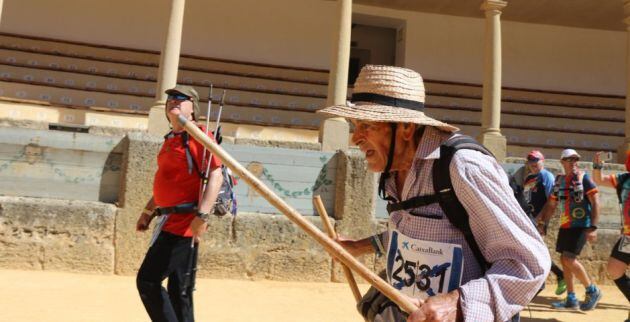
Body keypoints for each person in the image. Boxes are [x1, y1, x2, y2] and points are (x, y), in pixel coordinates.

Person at [320, 65, 550, 322]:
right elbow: (414, 231)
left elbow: (528, 263)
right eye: (355, 125)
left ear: (406, 128)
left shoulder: (463, 166)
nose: (356, 138)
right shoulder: (394, 169)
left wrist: (457, 303)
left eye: (366, 126)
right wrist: (358, 247)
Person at [135, 85, 224, 322]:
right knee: (179, 291)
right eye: (170, 98)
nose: (173, 101)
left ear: (192, 109)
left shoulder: (198, 135)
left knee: (148, 280)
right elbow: (169, 182)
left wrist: (202, 217)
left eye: (180, 98)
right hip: (167, 218)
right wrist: (148, 210)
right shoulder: (171, 139)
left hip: (183, 222)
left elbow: (216, 174)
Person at [539, 149, 602, 311]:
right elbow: (551, 205)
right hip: (566, 225)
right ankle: (571, 298)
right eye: (569, 159)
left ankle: (592, 290)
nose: (573, 162)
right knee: (564, 260)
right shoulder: (559, 180)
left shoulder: (583, 178)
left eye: (575, 159)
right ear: (562, 162)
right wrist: (543, 223)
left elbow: (595, 201)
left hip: (581, 225)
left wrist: (593, 227)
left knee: (568, 259)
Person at [592, 150, 630, 321]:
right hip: (629, 236)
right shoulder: (624, 179)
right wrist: (598, 164)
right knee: (614, 269)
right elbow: (598, 179)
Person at [522, 150, 566, 295]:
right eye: (530, 161)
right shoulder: (529, 178)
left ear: (543, 161)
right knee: (534, 253)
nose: (533, 164)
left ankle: (556, 277)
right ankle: (552, 278)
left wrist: (541, 221)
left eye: (536, 160)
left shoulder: (546, 176)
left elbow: (551, 200)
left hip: (538, 221)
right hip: (528, 220)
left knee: (535, 253)